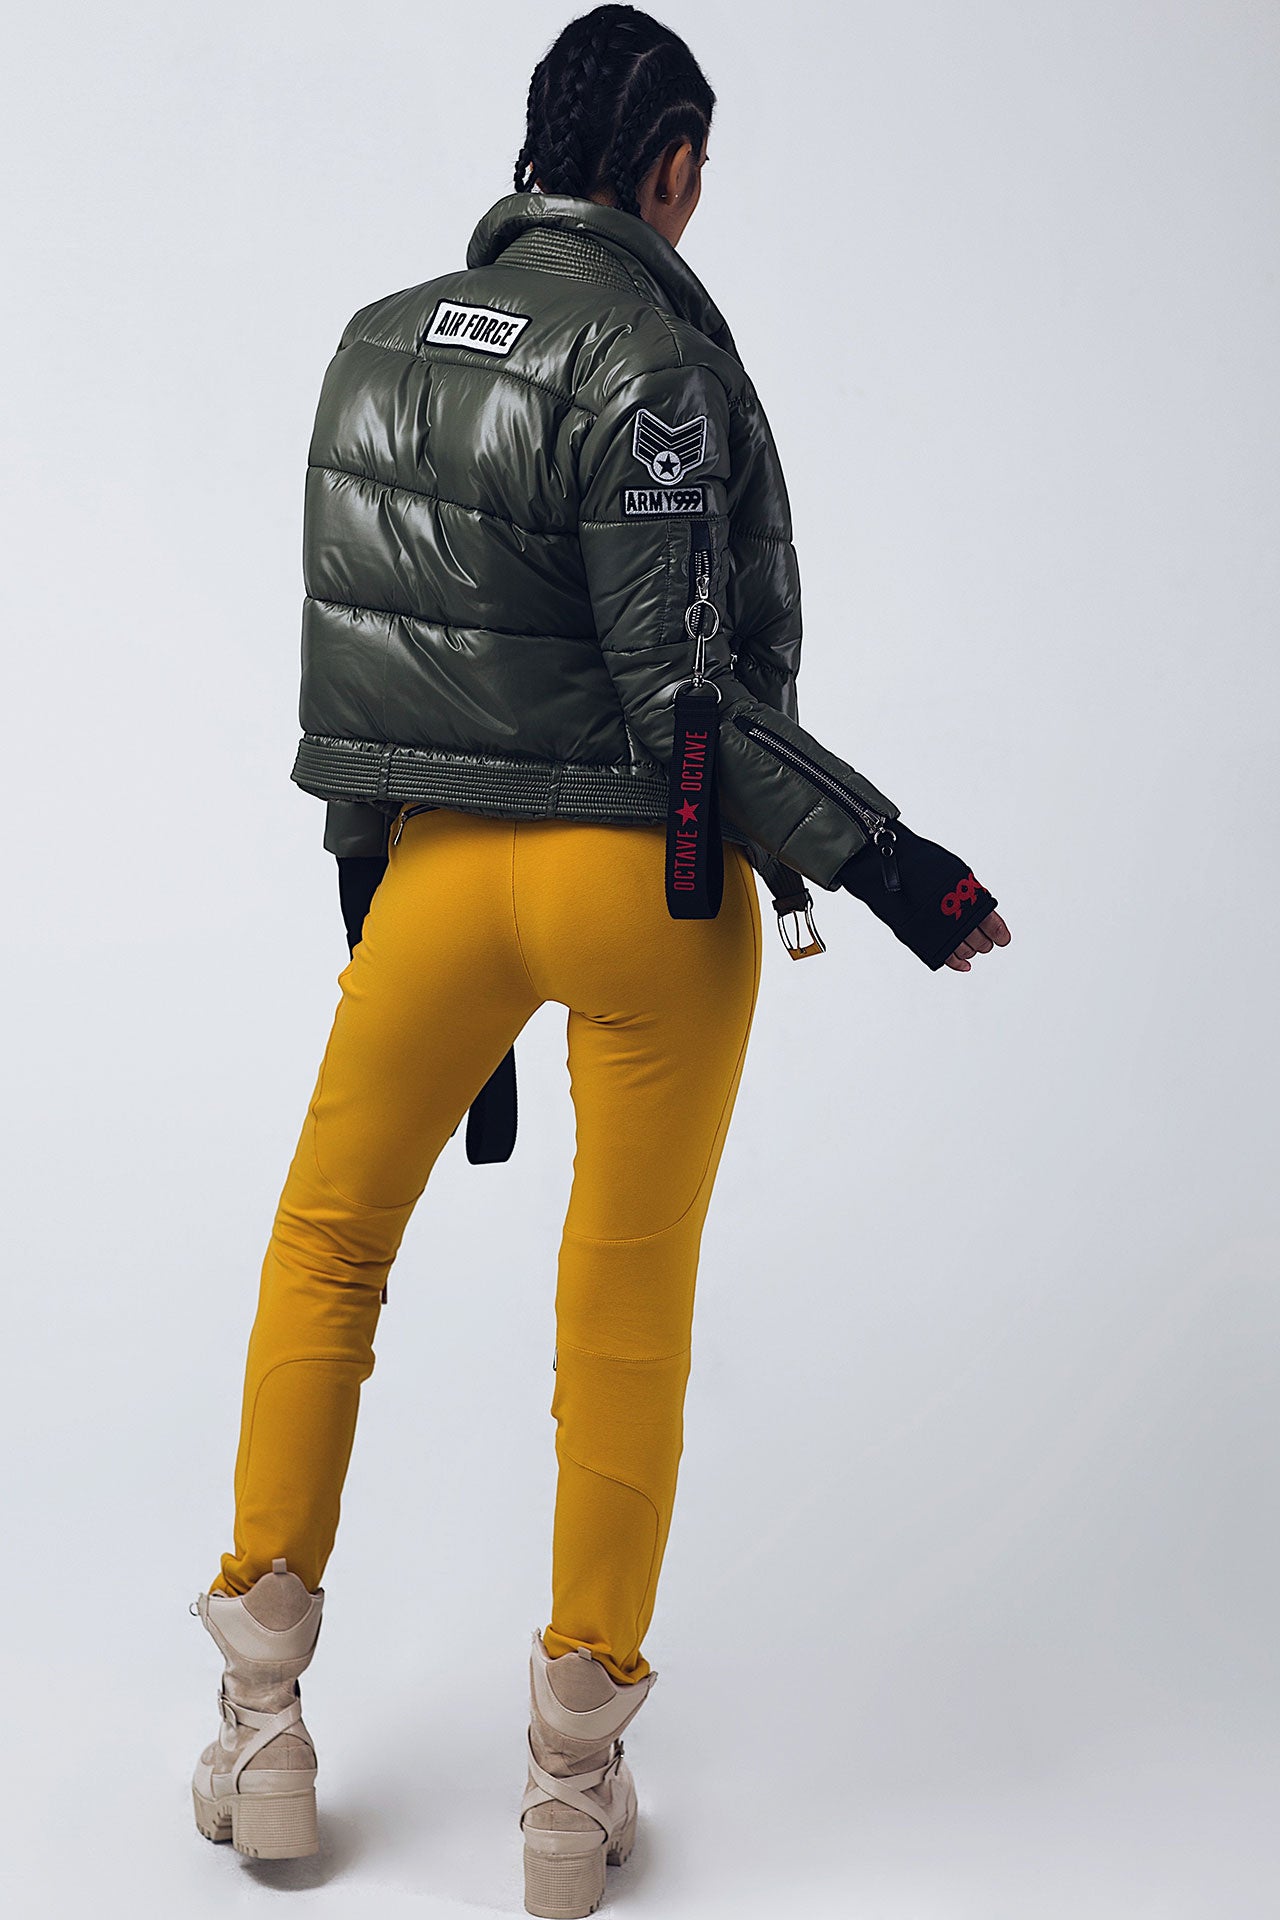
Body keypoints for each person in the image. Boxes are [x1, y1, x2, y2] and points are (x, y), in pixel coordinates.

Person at [189, 7, 1011, 1914]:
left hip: (434, 882)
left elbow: (359, 683)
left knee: (329, 1246)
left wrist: (371, 902)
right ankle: (570, 1795)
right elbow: (686, 697)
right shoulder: (655, 364)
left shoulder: (377, 343)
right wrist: (893, 865)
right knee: (622, 1309)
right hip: (651, 887)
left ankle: (261, 1728)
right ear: (670, 168)